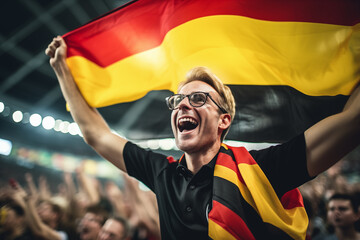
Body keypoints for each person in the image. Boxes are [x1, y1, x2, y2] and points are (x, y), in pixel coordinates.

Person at [45, 36, 360, 239]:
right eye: (178, 100)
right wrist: (62, 72)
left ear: (224, 120)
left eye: (198, 99)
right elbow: (96, 134)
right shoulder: (161, 171)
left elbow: (351, 123)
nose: (183, 104)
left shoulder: (260, 169)